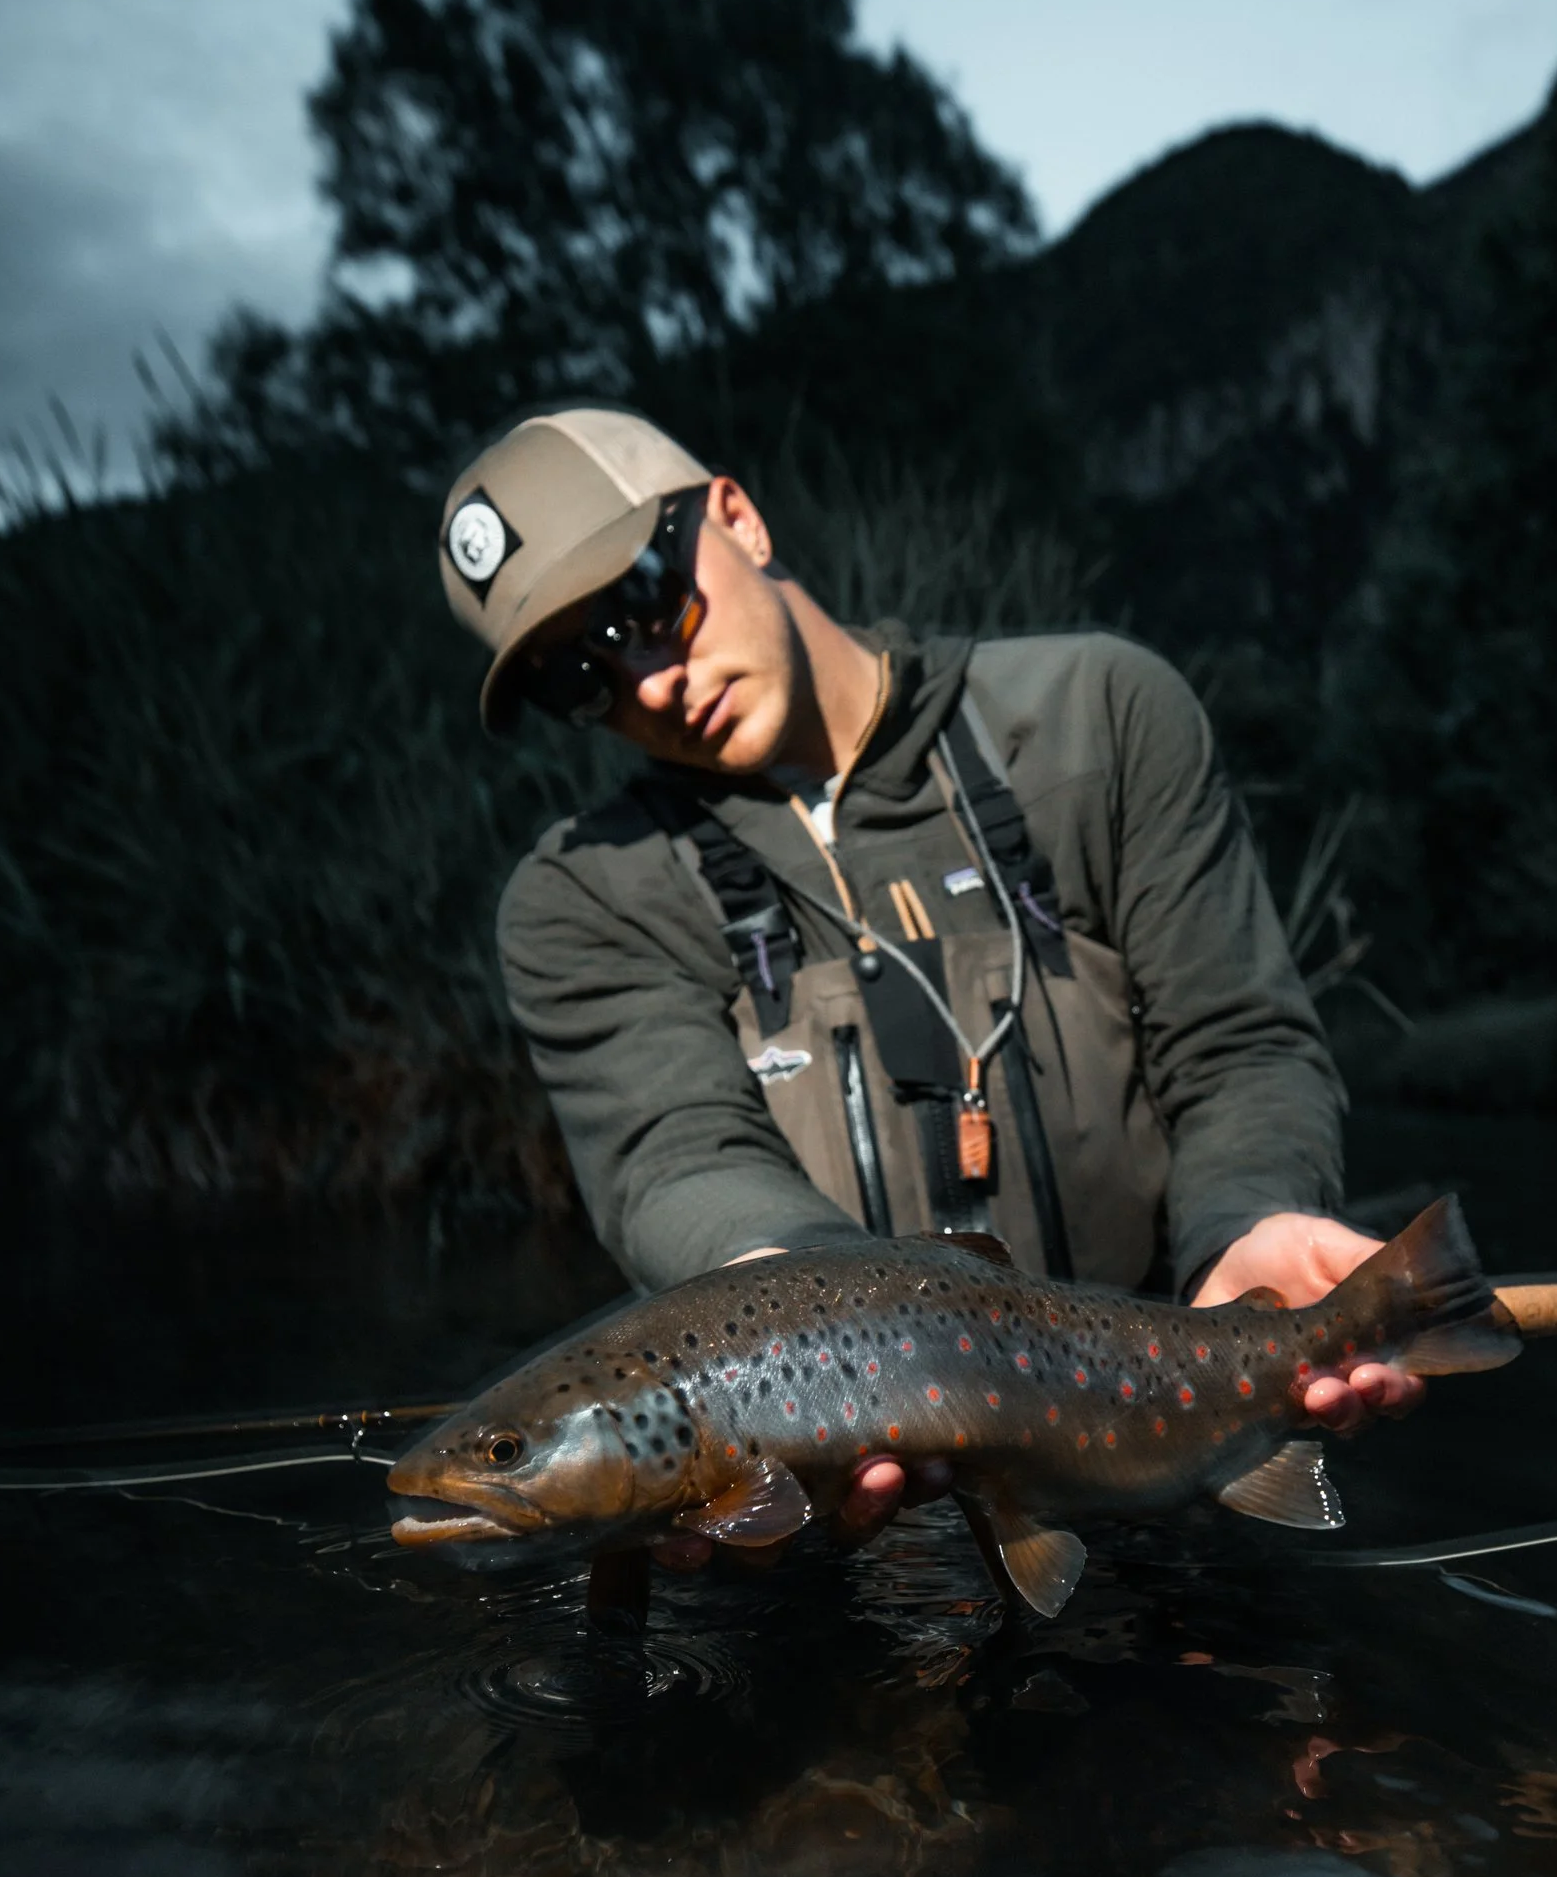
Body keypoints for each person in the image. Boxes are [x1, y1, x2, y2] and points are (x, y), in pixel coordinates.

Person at [438, 404, 1421, 1544]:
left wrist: (1250, 1227)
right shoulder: (582, 896)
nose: (647, 679)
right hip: (844, 1533)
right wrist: (800, 1350)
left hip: (1179, 1439)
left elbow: (1238, 1044)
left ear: (739, 518)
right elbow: (678, 1157)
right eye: (582, 676)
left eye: (648, 603)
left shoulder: (1099, 718)